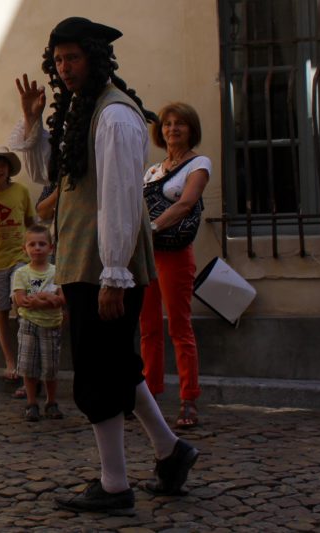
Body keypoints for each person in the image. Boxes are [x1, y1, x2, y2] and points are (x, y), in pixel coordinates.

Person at [11, 17, 199, 515]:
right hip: (86, 264)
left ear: (95, 56)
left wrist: (114, 273)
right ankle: (171, 451)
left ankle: (114, 484)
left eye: (73, 57)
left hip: (103, 268)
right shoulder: (84, 112)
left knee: (98, 373)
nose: (64, 67)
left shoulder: (114, 115)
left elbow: (118, 199)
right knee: (117, 366)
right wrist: (32, 122)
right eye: (58, 59)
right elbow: (51, 178)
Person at [139, 102, 210, 429]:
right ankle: (150, 395)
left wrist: (152, 229)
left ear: (190, 128)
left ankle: (189, 398)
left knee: (179, 326)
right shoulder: (153, 170)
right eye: (167, 123)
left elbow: (185, 204)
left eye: (179, 123)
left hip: (175, 254)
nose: (172, 129)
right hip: (148, 255)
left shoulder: (199, 164)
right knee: (148, 327)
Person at [0, 145, 34, 393]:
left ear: (8, 168)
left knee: (23, 309)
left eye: (1, 164)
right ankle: (10, 362)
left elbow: (31, 223)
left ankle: (27, 365)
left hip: (20, 259)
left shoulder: (20, 191)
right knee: (0, 312)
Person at [11, 224, 65, 421]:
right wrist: (47, 299)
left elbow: (61, 300)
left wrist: (40, 297)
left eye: (42, 244)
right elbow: (21, 300)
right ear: (25, 248)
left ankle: (51, 402)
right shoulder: (21, 273)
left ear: (50, 248)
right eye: (32, 244)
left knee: (50, 367)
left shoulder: (57, 272)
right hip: (28, 325)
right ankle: (31, 403)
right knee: (28, 366)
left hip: (51, 326)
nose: (37, 248)